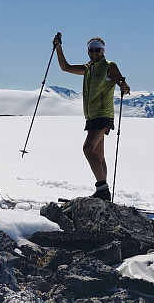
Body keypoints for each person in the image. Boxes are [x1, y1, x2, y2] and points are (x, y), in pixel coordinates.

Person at [53, 33, 130, 201]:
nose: (94, 52)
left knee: (87, 149)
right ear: (88, 51)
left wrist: (124, 86)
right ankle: (104, 192)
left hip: (103, 115)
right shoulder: (87, 68)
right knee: (98, 154)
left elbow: (120, 81)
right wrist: (59, 48)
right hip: (91, 116)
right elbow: (65, 67)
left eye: (97, 49)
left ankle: (102, 189)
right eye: (91, 49)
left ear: (103, 51)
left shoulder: (109, 66)